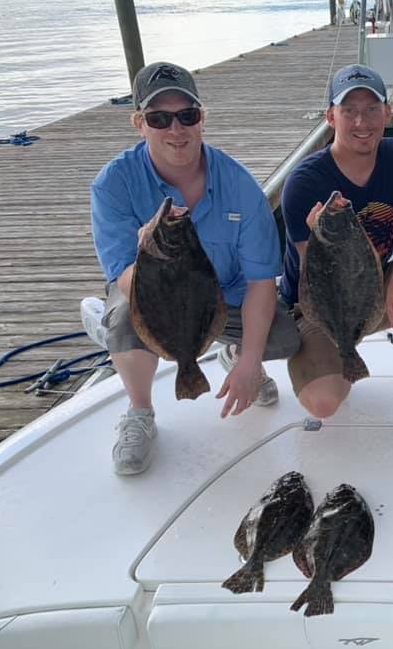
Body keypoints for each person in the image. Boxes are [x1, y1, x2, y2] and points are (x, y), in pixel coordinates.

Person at [89, 61, 299, 476]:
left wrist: (251, 362)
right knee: (121, 321)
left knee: (285, 338)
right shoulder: (113, 184)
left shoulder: (239, 185)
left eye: (187, 115)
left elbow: (261, 281)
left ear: (202, 118)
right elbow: (123, 274)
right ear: (139, 124)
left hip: (224, 298)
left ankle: (233, 353)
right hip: (148, 294)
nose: (176, 129)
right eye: (159, 118)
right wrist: (149, 253)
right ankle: (140, 411)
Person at [279, 64, 393, 419]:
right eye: (349, 111)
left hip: (377, 288)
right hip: (319, 309)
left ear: (388, 112)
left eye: (371, 109)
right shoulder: (303, 183)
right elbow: (315, 280)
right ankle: (327, 358)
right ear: (331, 117)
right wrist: (320, 239)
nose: (362, 122)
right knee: (325, 403)